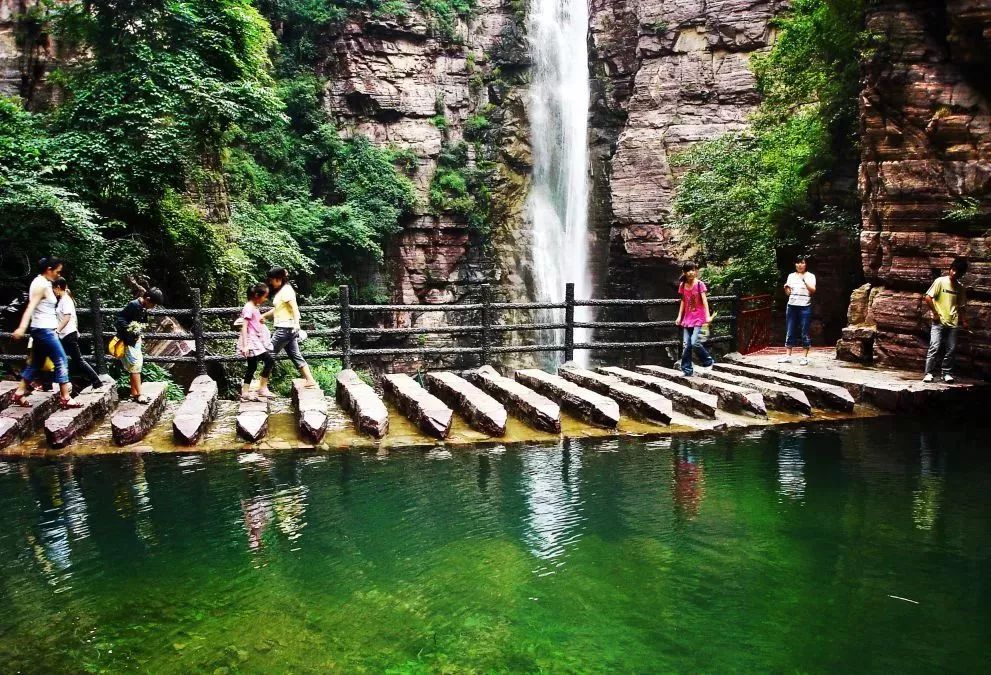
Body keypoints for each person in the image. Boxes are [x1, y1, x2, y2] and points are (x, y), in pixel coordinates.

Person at [10, 257, 82, 409]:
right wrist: (22, 327)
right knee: (61, 359)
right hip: (44, 330)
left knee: (35, 364)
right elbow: (31, 307)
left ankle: (19, 393)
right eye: (57, 271)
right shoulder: (41, 285)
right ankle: (66, 397)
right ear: (49, 269)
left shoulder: (44, 283)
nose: (58, 274)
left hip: (42, 329)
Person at [263, 267, 318, 388]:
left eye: (271, 280)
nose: (270, 282)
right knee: (295, 355)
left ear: (278, 279)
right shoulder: (282, 291)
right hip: (288, 329)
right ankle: (310, 380)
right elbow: (276, 310)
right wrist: (263, 316)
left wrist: (297, 323)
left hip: (285, 328)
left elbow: (294, 308)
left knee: (269, 354)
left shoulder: (286, 291)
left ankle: (262, 386)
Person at [115, 287, 164, 403]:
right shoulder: (133, 305)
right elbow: (120, 319)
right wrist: (130, 328)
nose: (154, 307)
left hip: (135, 340)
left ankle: (135, 393)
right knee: (135, 366)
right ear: (147, 299)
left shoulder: (143, 307)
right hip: (128, 340)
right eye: (154, 304)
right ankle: (140, 394)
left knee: (135, 366)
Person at [53, 277, 103, 390]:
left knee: (77, 360)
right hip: (66, 334)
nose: (53, 292)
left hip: (68, 335)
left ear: (58, 287)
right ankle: (60, 382)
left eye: (54, 289)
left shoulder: (66, 300)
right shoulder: (63, 299)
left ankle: (96, 381)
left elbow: (67, 317)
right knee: (63, 358)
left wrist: (57, 330)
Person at [923, 257, 968, 383]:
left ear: (962, 274)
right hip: (938, 322)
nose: (954, 273)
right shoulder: (940, 281)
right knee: (934, 346)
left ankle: (946, 372)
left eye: (958, 272)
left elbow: (962, 306)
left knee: (951, 349)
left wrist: (964, 321)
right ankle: (928, 373)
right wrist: (935, 313)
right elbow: (928, 297)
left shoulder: (961, 288)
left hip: (953, 323)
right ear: (950, 269)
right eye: (953, 270)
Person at [674, 261, 714, 376]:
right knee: (686, 345)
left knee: (695, 342)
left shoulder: (699, 284)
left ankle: (708, 361)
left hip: (699, 318)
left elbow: (705, 300)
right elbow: (683, 301)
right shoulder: (682, 285)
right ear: (684, 272)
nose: (691, 273)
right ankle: (687, 370)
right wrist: (679, 316)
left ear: (696, 271)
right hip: (687, 318)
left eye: (693, 270)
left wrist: (707, 316)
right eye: (688, 270)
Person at [238, 283, 275, 401]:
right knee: (269, 360)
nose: (265, 299)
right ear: (256, 295)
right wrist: (245, 345)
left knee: (252, 366)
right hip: (251, 342)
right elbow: (244, 327)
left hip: (255, 340)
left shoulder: (253, 307)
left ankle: (245, 392)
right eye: (264, 296)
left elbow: (254, 323)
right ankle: (262, 388)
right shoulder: (248, 307)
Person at [780, 254, 817, 365]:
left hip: (805, 306)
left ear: (806, 264)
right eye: (798, 263)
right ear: (795, 264)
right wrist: (785, 288)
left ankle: (804, 357)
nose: (800, 265)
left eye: (802, 263)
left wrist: (804, 281)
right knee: (790, 330)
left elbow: (813, 291)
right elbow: (788, 293)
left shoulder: (810, 276)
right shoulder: (791, 276)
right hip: (792, 306)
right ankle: (788, 355)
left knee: (804, 331)